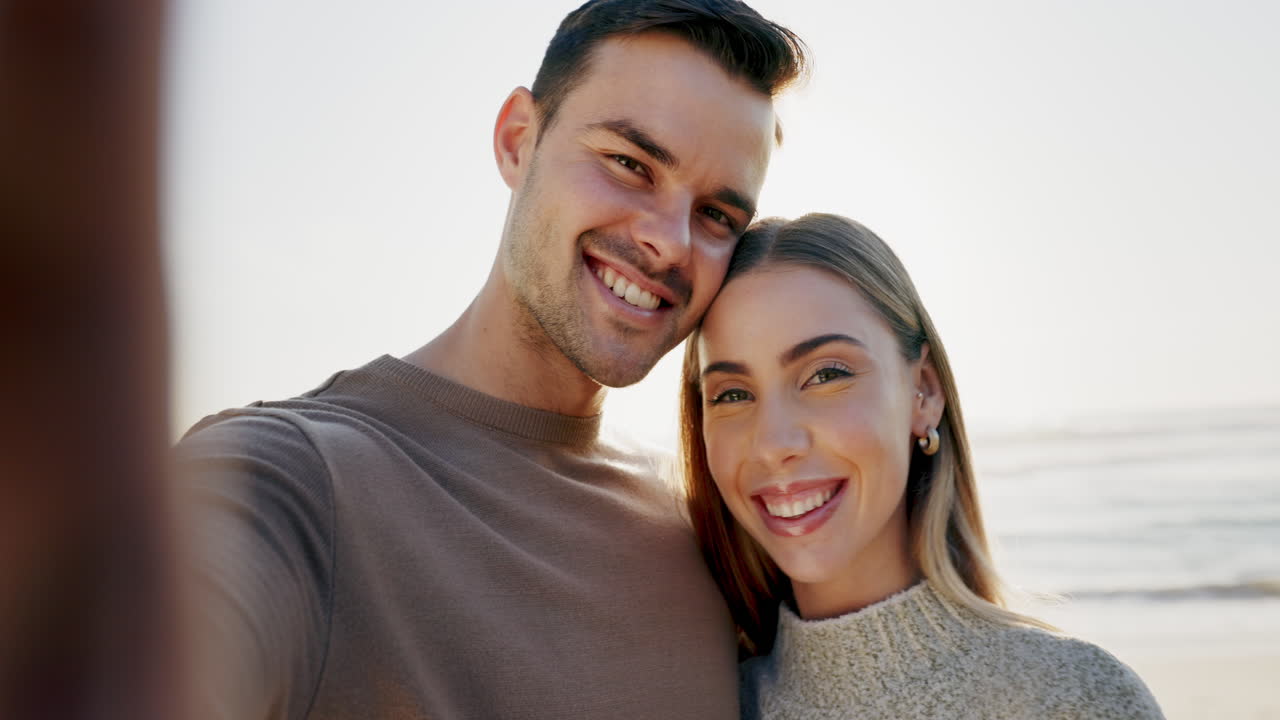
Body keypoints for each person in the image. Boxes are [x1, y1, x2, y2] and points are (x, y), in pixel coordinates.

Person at [175, 2, 806, 719]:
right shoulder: (286, 483)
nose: (670, 242)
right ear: (517, 140)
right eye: (630, 164)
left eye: (718, 216)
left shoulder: (708, 536)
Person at [680, 214, 1165, 719]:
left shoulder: (1073, 698)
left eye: (826, 375)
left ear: (924, 392)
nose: (773, 443)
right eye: (732, 394)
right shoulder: (704, 702)